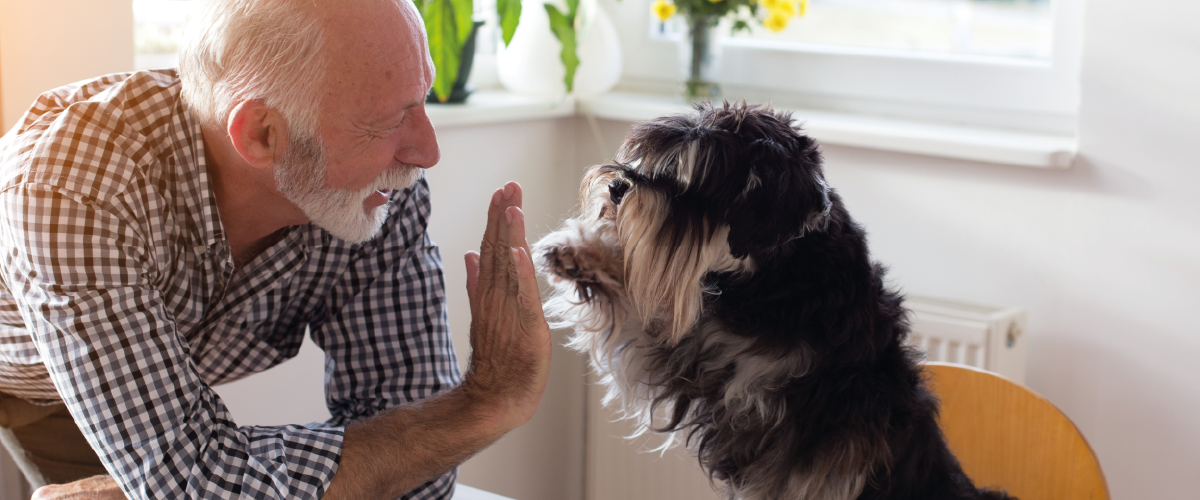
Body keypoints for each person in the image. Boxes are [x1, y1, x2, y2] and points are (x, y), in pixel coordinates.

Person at [0, 0, 552, 498]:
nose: (427, 152)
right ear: (262, 135)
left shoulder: (378, 190)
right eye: (387, 120)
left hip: (146, 374)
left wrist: (182, 481)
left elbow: (419, 475)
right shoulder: (75, 186)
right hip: (19, 376)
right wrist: (485, 403)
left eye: (422, 99)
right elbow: (202, 484)